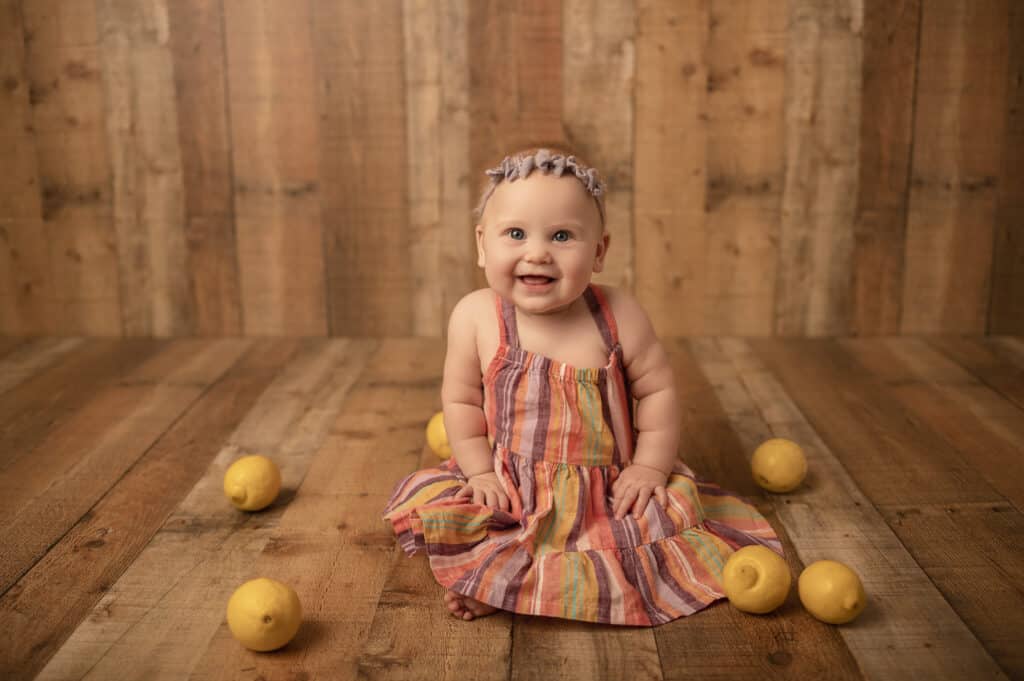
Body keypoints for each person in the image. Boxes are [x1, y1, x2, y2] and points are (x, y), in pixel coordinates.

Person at [383, 147, 781, 625]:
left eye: (562, 236)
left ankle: (511, 588)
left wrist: (650, 469)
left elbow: (658, 393)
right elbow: (462, 400)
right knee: (499, 525)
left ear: (598, 252)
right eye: (515, 233)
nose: (537, 252)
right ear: (482, 244)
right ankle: (494, 582)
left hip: (607, 490)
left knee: (632, 533)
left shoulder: (619, 316)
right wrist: (479, 473)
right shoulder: (476, 316)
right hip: (514, 483)